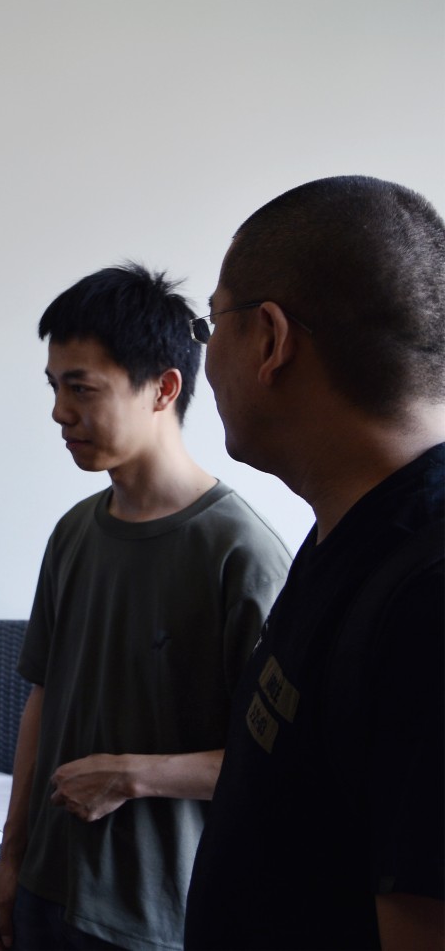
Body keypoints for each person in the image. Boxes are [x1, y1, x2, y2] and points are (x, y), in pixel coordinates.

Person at [0, 265, 291, 951]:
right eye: (54, 387)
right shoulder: (73, 533)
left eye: (82, 388)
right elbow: (42, 701)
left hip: (156, 916)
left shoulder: (242, 553)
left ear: (163, 389)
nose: (59, 412)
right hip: (43, 890)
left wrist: (133, 775)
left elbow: (283, 764)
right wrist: (12, 858)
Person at [185, 176, 444, 949]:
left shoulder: (429, 602)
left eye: (212, 323)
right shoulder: (354, 527)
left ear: (270, 339)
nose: (206, 356)